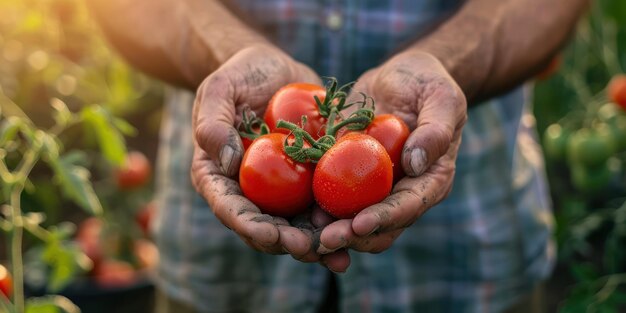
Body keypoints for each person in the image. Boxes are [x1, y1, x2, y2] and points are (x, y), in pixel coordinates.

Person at [87, 0, 589, 312]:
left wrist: (450, 64)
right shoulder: (356, 142)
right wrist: (224, 53)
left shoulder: (314, 138)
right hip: (217, 270)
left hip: (471, 252)